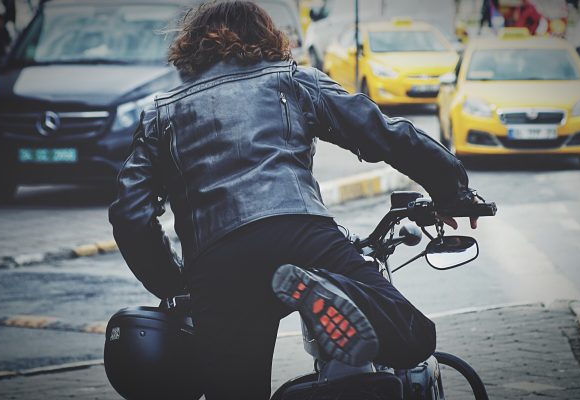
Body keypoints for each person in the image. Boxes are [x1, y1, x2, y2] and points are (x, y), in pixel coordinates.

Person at [109, 1, 480, 399]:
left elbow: (131, 215)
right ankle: (328, 286)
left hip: (217, 263)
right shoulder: (293, 81)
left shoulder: (162, 113)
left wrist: (174, 282)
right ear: (266, 37)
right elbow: (383, 132)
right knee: (414, 338)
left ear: (192, 47)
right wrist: (451, 191)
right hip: (301, 235)